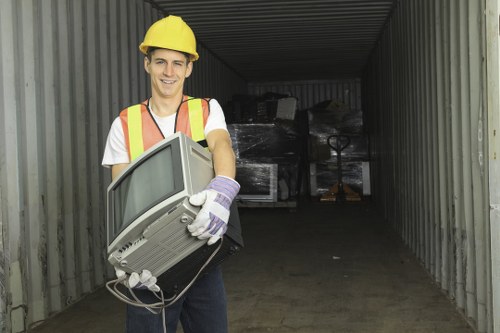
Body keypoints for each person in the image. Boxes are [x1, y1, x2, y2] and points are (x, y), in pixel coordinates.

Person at [102, 15, 240, 333]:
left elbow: (221, 145)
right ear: (147, 64)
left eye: (178, 63)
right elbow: (122, 199)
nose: (169, 72)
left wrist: (223, 190)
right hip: (151, 263)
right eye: (161, 61)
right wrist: (128, 260)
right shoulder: (124, 123)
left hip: (200, 253)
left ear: (189, 68)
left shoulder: (206, 109)